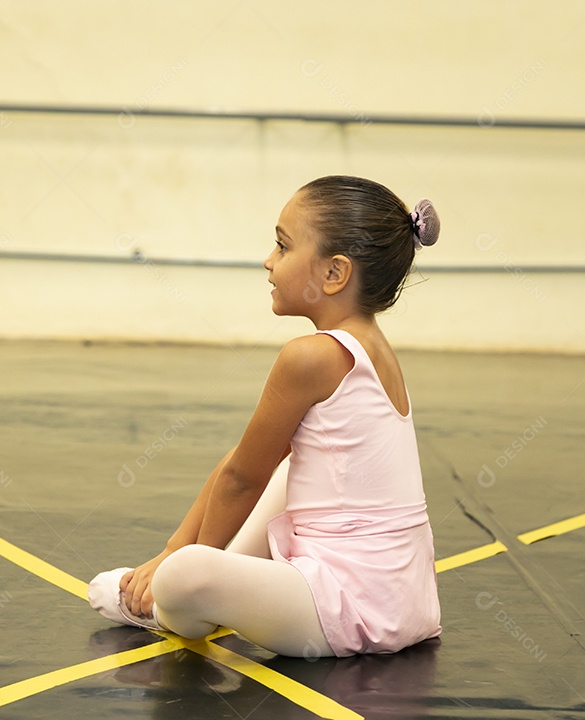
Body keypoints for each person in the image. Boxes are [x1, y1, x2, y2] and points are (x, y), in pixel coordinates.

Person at [88, 175, 442, 657]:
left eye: (282, 245)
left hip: (352, 609)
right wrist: (174, 546)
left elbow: (240, 479)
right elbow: (245, 462)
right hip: (403, 598)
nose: (268, 260)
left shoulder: (310, 357)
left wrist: (179, 559)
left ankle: (163, 605)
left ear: (334, 273)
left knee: (185, 577)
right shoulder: (374, 346)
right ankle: (207, 583)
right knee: (287, 464)